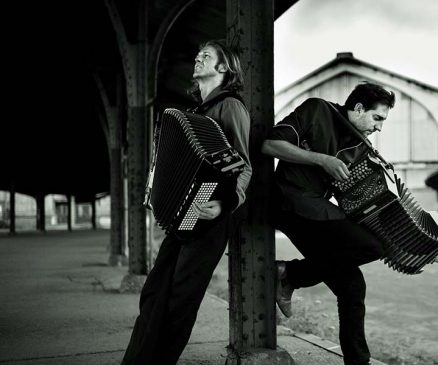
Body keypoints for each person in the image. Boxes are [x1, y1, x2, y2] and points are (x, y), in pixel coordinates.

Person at [121, 39, 252, 365]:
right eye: (197, 55)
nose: (197, 59)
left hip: (210, 217)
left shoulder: (230, 107)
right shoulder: (195, 113)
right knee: (154, 293)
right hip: (183, 217)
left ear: (224, 67)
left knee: (180, 300)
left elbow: (243, 165)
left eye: (205, 56)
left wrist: (226, 203)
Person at [262, 82, 395, 365]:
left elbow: (354, 198)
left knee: (352, 286)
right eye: (377, 118)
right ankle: (291, 274)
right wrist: (321, 160)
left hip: (317, 211)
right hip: (288, 201)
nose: (379, 128)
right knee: (373, 246)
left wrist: (417, 240)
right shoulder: (317, 109)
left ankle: (357, 363)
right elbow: (270, 144)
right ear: (359, 108)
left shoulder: (361, 146)